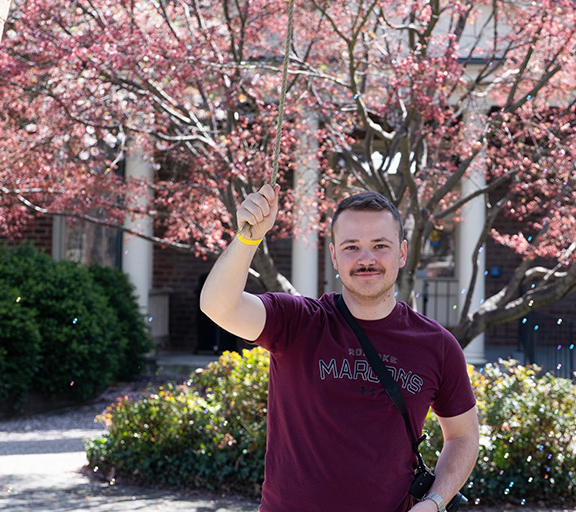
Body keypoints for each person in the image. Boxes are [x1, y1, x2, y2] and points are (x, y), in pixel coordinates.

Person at [200, 184, 479, 512]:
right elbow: (218, 306)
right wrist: (249, 237)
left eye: (380, 245)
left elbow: (463, 437)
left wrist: (433, 502)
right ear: (333, 255)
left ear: (402, 253)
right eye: (351, 247)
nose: (366, 259)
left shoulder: (437, 345)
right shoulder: (298, 323)